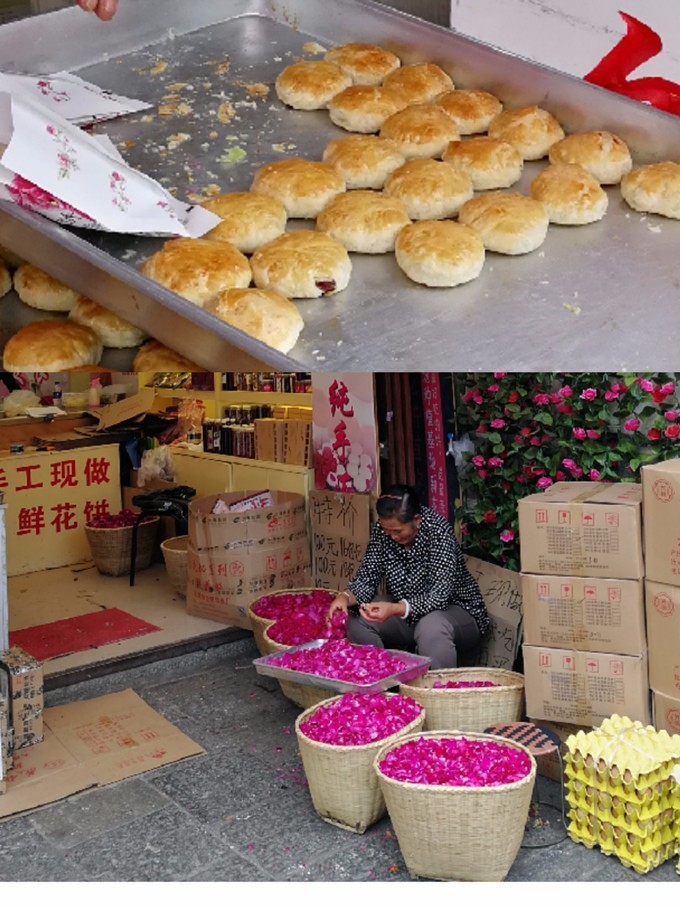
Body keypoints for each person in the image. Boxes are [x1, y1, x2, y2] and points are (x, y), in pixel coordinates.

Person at [327, 484, 490, 670]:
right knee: (358, 618)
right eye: (388, 531)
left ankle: (437, 693)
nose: (392, 536)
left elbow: (439, 597)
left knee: (431, 627)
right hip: (406, 614)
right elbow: (367, 577)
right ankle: (381, 681)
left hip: (456, 612)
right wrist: (344, 598)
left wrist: (396, 608)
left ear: (417, 519)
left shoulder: (438, 531)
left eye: (397, 531)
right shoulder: (383, 532)